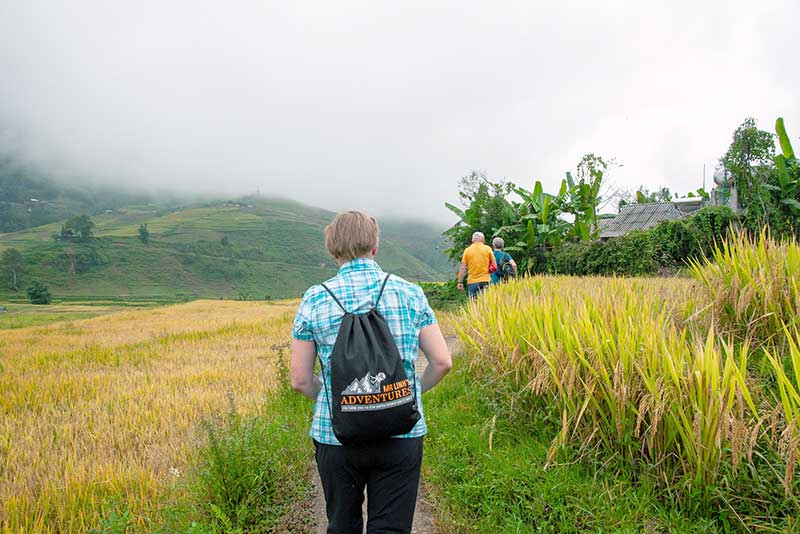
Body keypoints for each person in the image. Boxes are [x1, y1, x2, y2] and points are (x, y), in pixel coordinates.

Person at [290, 210, 453, 534]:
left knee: (342, 526)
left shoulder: (314, 298)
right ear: (375, 247)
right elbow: (442, 362)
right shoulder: (409, 293)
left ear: (333, 251)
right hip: (401, 432)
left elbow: (300, 379)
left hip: (336, 436)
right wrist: (409, 393)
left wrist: (340, 399)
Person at [457, 231, 497, 299]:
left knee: (473, 305)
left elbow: (463, 268)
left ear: (472, 240)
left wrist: (460, 282)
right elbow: (494, 265)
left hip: (472, 282)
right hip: (485, 281)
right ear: (483, 239)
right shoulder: (488, 249)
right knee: (485, 304)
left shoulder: (467, 250)